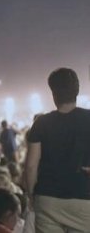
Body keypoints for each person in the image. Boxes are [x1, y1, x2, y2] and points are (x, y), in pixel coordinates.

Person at [25, 67, 90, 233]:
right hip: (83, 196)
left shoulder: (41, 123)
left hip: (48, 197)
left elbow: (31, 165)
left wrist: (31, 194)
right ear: (77, 90)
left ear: (53, 93)